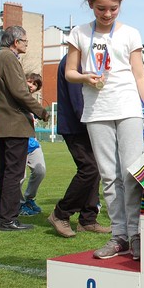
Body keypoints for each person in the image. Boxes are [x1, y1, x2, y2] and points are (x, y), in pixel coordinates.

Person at [65, 0, 144, 261]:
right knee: (109, 177)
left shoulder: (130, 33)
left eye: (113, 9)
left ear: (120, 5)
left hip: (129, 107)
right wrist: (85, 77)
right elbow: (70, 71)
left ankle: (137, 234)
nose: (107, 14)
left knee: (131, 174)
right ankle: (118, 235)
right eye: (101, 9)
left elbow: (139, 74)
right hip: (96, 111)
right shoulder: (79, 33)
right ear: (91, 5)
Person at [0, 26, 50, 231]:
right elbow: (20, 93)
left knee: (3, 173)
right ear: (16, 42)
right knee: (13, 174)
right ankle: (8, 219)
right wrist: (42, 112)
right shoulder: (9, 58)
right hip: (15, 126)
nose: (26, 44)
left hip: (3, 125)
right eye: (25, 41)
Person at [46, 55, 111, 238]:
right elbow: (78, 101)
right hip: (76, 126)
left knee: (95, 169)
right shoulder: (72, 62)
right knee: (89, 168)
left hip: (84, 124)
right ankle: (60, 213)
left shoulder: (84, 61)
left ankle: (88, 219)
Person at [18, 73, 46, 216]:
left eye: (35, 84)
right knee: (19, 176)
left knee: (40, 171)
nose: (31, 86)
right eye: (29, 82)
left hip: (32, 142)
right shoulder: (16, 96)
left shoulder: (33, 101)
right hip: (19, 141)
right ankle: (19, 204)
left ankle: (29, 198)